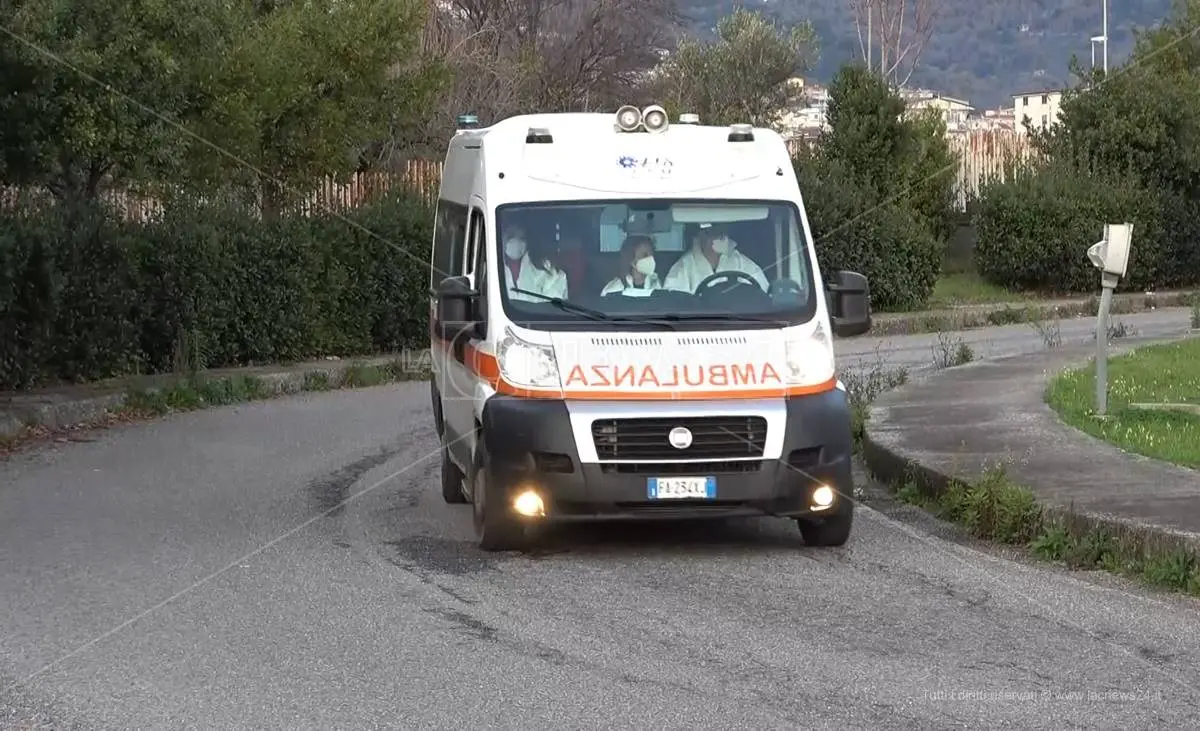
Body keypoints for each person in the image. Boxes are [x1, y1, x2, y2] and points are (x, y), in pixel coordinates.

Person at [663, 222, 768, 293]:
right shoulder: (683, 267)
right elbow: (673, 302)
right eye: (712, 233)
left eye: (721, 233)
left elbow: (763, 293)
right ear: (701, 236)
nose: (719, 237)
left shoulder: (742, 263)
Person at [502, 224, 569, 301]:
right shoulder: (492, 268)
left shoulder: (544, 267)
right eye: (511, 236)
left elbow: (556, 298)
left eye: (521, 238)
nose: (515, 241)